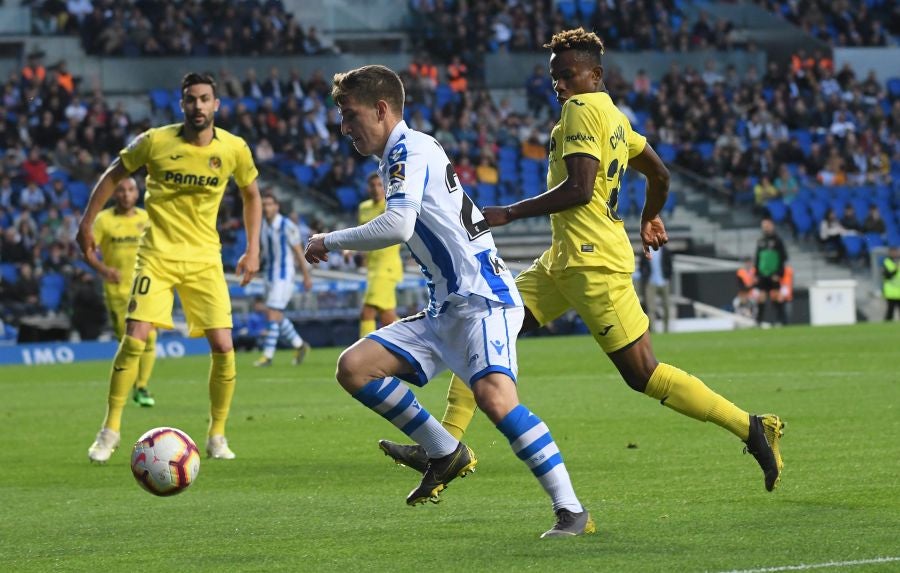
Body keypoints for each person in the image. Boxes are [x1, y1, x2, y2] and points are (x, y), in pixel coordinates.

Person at [380, 28, 785, 497]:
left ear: (595, 74)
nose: (560, 86)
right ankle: (445, 449)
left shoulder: (581, 110)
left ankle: (754, 428)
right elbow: (659, 172)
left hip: (594, 267)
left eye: (568, 75)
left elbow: (580, 187)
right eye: (555, 78)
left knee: (643, 374)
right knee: (484, 326)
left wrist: (509, 212)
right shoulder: (615, 117)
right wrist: (649, 214)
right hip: (564, 262)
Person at [304, 64, 594, 538]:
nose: (344, 127)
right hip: (447, 308)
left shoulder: (408, 148)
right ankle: (444, 449)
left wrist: (328, 240)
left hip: (484, 299)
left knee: (495, 400)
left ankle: (571, 510)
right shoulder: (404, 152)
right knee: (354, 367)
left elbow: (397, 226)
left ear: (381, 110)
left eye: (350, 115)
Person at [77, 72, 262, 463]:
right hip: (156, 255)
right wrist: (86, 222)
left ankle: (217, 434)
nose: (198, 105)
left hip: (204, 259)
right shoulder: (154, 141)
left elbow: (251, 193)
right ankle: (109, 430)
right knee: (135, 337)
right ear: (182, 104)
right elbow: (114, 174)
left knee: (224, 346)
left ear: (216, 105)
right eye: (191, 99)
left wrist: (253, 247)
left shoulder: (233, 148)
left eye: (205, 99)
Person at [87, 177, 157, 406]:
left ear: (137, 194)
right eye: (121, 191)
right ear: (114, 194)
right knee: (129, 343)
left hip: (144, 287)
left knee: (150, 336)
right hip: (117, 291)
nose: (126, 194)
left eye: (130, 190)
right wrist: (104, 269)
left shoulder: (146, 218)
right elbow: (87, 251)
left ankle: (142, 387)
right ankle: (128, 387)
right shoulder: (103, 220)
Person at [253, 192, 312, 367]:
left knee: (272, 313)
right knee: (276, 315)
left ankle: (267, 356)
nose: (266, 208)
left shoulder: (286, 225)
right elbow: (265, 251)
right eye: (264, 205)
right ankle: (300, 345)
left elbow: (298, 252)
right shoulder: (263, 224)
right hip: (269, 275)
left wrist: (306, 276)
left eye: (270, 204)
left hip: (284, 275)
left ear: (276, 206)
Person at [356, 172, 403, 337]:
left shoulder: (392, 206)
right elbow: (362, 236)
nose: (376, 189)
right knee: (388, 318)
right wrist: (351, 250)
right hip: (373, 268)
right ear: (367, 188)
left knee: (367, 312)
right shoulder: (364, 208)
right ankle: (416, 344)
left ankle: (362, 357)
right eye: (372, 185)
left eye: (379, 185)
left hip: (387, 268)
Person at [755, 217, 789, 326]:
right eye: (763, 226)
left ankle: (781, 320)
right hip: (762, 273)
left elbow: (783, 257)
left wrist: (779, 273)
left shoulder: (778, 241)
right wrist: (757, 273)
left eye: (767, 226)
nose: (765, 228)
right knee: (761, 297)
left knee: (776, 296)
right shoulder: (760, 241)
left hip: (774, 273)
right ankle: (758, 321)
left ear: (772, 226)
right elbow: (757, 258)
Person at [639, 244, 672, 332]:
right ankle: (653, 330)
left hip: (664, 282)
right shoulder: (645, 251)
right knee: (651, 308)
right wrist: (645, 277)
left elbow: (669, 264)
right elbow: (641, 266)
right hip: (651, 282)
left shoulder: (665, 250)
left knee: (666, 307)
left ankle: (666, 329)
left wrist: (668, 277)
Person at [883, 248, 900, 321]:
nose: (895, 254)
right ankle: (886, 327)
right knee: (890, 311)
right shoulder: (886, 262)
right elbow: (887, 276)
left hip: (898, 291)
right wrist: (895, 269)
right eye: (894, 252)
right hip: (890, 291)